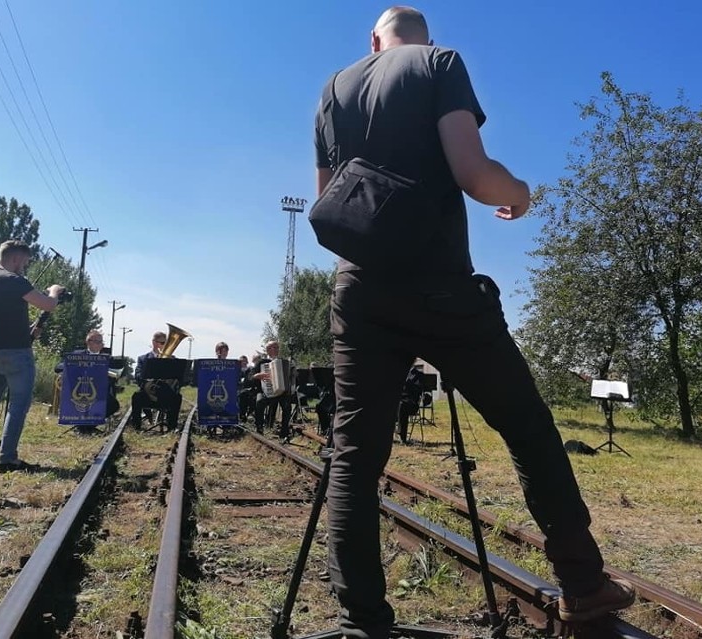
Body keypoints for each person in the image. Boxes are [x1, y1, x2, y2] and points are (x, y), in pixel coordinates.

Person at [313, 8, 635, 637]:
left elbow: (330, 200)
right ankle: (583, 583)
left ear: (374, 41)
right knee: (528, 427)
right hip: (442, 290)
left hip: (360, 291)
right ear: (421, 38)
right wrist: (520, 193)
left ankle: (361, 620)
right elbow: (471, 172)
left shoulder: (334, 87)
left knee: (355, 451)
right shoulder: (440, 64)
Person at [0, 239, 65, 473]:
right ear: (16, 258)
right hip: (17, 354)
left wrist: (29, 330)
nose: (25, 267)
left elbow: (4, 317)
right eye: (25, 262)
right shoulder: (13, 280)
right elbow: (48, 304)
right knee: (18, 406)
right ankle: (8, 459)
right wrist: (54, 291)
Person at [129, 330, 182, 431]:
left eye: (166, 343)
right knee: (136, 396)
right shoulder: (143, 359)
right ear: (154, 342)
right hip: (148, 394)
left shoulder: (173, 360)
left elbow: (180, 380)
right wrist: (147, 378)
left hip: (165, 394)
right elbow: (138, 375)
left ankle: (172, 428)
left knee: (177, 397)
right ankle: (136, 427)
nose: (165, 346)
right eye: (162, 343)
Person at [253, 340, 293, 441]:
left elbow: (291, 378)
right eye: (271, 348)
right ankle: (259, 428)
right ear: (267, 350)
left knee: (287, 406)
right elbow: (250, 377)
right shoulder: (262, 363)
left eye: (276, 347)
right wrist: (257, 375)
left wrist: (294, 375)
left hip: (281, 392)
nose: (274, 349)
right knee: (259, 401)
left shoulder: (285, 362)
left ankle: (284, 431)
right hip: (266, 391)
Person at [396, 366, 423, 444]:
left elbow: (418, 390)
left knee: (402, 406)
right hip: (399, 401)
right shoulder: (399, 373)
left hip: (411, 403)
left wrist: (408, 384)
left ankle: (402, 437)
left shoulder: (419, 375)